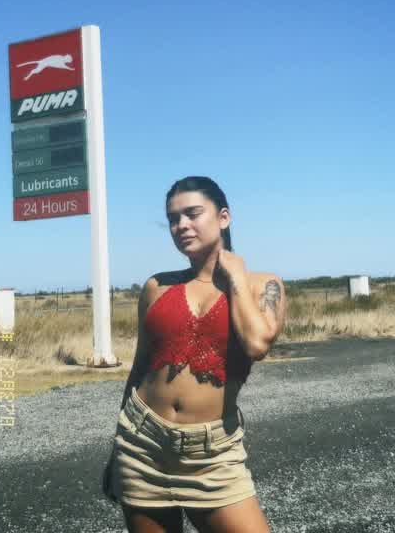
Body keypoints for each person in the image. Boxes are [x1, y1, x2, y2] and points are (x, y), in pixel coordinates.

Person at [103, 175, 286, 533]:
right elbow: (139, 368)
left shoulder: (262, 284)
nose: (181, 225)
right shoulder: (157, 286)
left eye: (192, 213)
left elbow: (257, 344)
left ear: (223, 217)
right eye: (173, 219)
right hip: (141, 444)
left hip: (213, 455)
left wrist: (234, 276)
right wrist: (116, 451)